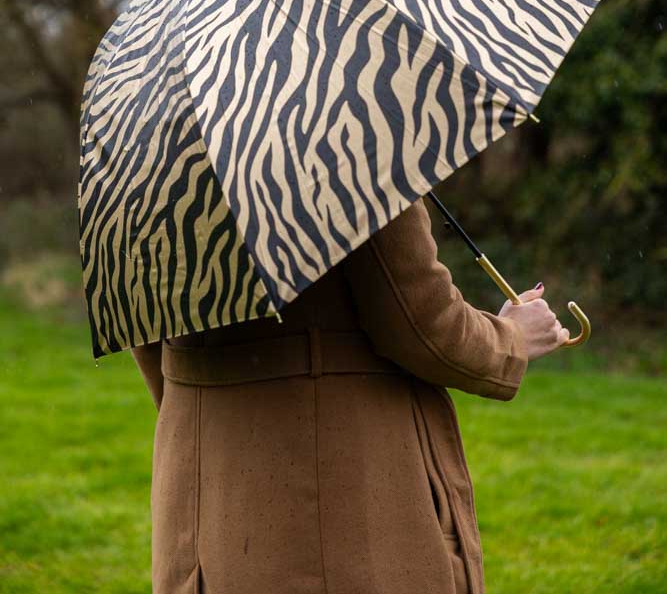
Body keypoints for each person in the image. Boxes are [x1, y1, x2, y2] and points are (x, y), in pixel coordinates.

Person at [131, 195, 569, 594]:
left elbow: (144, 329)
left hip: (197, 492)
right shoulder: (345, 143)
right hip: (334, 497)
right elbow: (419, 321)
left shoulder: (146, 164)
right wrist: (512, 337)